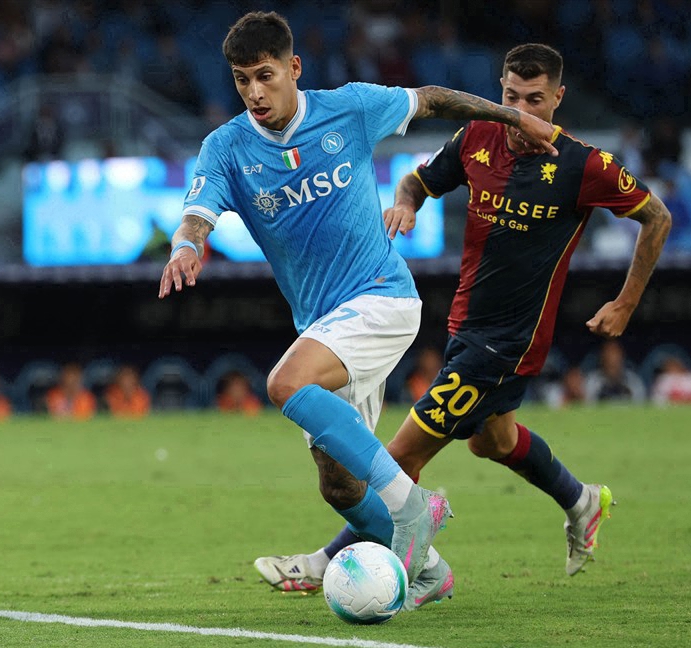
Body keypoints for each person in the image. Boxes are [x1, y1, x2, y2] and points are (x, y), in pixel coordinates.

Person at [157, 12, 559, 592]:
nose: (254, 92)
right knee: (339, 485)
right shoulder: (226, 147)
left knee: (285, 384)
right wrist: (185, 247)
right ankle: (430, 570)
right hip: (323, 325)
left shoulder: (350, 108)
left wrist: (514, 116)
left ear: (294, 68)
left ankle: (414, 506)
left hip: (381, 297)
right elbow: (197, 214)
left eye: (265, 76)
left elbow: (432, 99)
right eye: (242, 80)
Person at [254, 43, 671, 601]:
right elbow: (417, 181)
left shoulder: (585, 165)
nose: (520, 111)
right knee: (493, 441)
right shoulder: (477, 136)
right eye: (511, 96)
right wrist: (407, 204)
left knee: (397, 459)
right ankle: (581, 500)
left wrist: (625, 302)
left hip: (507, 344)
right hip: (465, 328)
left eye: (535, 100)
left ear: (558, 98)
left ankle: (325, 563)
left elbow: (656, 217)